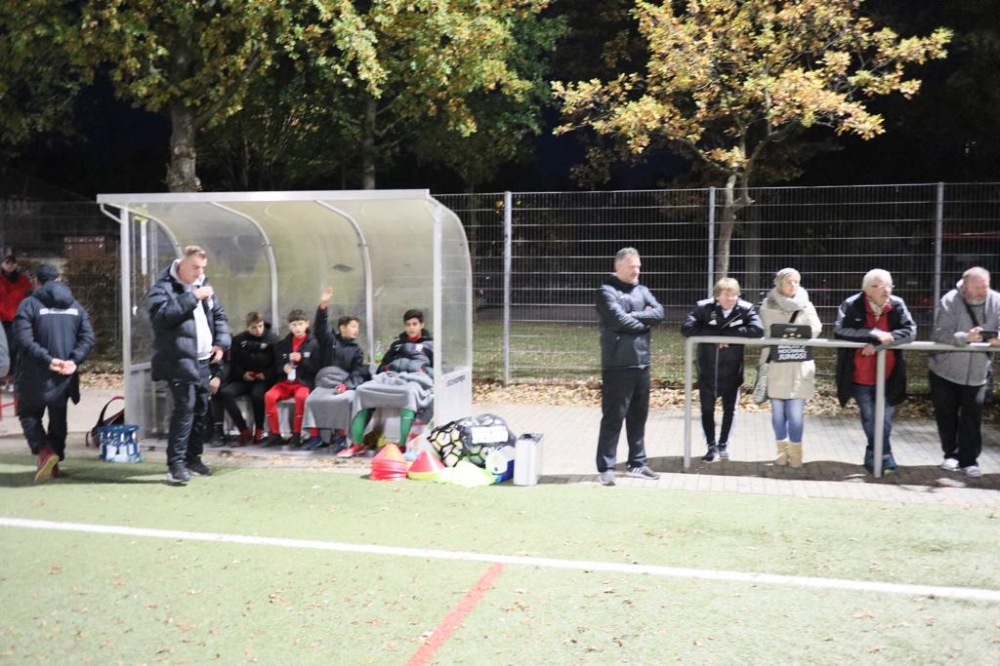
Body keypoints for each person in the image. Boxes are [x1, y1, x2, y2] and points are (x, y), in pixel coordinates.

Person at [148, 245, 231, 484]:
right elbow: (161, 318)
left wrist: (221, 344)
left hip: (204, 360)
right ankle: (176, 464)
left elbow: (219, 317)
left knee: (201, 410)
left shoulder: (203, 284)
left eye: (203, 268)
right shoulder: (163, 287)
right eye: (195, 267)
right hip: (178, 360)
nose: (199, 272)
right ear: (182, 264)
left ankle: (194, 459)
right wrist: (192, 297)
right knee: (185, 409)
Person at [13, 263, 95, 482]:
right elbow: (88, 337)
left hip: (33, 373)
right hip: (65, 375)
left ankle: (45, 451)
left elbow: (23, 339)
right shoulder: (75, 306)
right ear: (59, 279)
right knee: (58, 418)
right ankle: (55, 461)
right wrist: (73, 360)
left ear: (37, 282)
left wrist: (48, 360)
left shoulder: (28, 304)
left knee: (28, 414)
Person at [834, 269, 916, 474]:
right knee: (870, 418)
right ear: (868, 289)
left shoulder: (897, 304)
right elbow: (840, 330)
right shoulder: (851, 304)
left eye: (889, 286)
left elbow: (910, 331)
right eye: (881, 286)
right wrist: (874, 334)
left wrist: (881, 343)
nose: (887, 291)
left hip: (889, 375)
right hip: (860, 375)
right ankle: (884, 456)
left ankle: (875, 454)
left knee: (885, 419)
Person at [595, 247, 663, 486]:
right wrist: (643, 321)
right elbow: (617, 320)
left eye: (638, 266)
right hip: (617, 364)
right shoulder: (606, 291)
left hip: (642, 364)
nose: (637, 270)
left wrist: (634, 316)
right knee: (613, 417)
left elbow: (659, 314)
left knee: (638, 417)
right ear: (618, 267)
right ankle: (606, 467)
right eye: (632, 266)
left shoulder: (642, 290)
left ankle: (637, 463)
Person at [681, 277, 764, 462]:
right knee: (707, 410)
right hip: (707, 370)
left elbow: (758, 330)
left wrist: (729, 336)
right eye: (727, 295)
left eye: (734, 295)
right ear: (717, 296)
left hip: (732, 371)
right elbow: (687, 328)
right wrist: (715, 336)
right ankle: (711, 446)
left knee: (730, 410)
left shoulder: (746, 309)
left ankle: (723, 445)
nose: (731, 299)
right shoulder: (703, 307)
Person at [928, 267, 1000, 478]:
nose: (982, 291)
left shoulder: (996, 301)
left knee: (972, 417)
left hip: (978, 373)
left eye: (985, 286)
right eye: (976, 287)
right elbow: (939, 333)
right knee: (946, 415)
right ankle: (950, 454)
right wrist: (965, 337)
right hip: (945, 370)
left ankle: (969, 460)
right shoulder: (949, 300)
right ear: (965, 286)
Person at [347, 309, 434, 456]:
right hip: (391, 378)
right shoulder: (397, 345)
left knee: (409, 393)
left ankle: (403, 445)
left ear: (422, 325)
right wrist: (385, 369)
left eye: (414, 324)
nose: (411, 328)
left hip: (415, 379)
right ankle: (357, 444)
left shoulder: (430, 345)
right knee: (362, 390)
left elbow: (441, 368)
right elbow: (383, 365)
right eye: (408, 324)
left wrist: (424, 371)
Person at [759, 268, 822, 468]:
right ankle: (781, 451)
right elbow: (768, 329)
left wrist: (792, 333)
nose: (793, 285)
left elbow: (815, 328)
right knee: (778, 413)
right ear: (780, 283)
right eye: (789, 281)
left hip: (799, 364)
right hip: (776, 364)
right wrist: (792, 332)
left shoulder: (806, 304)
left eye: (796, 281)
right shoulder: (768, 304)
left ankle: (796, 453)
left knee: (795, 414)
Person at [301, 287, 369, 451]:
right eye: (353, 326)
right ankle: (315, 437)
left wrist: (345, 386)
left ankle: (341, 436)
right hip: (324, 383)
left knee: (346, 401)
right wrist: (323, 305)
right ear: (342, 328)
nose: (356, 330)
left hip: (343, 384)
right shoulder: (330, 340)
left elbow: (357, 372)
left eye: (357, 327)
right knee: (311, 400)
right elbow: (320, 328)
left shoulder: (357, 350)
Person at [262, 309, 321, 448]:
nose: (297, 328)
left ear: (307, 324)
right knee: (269, 396)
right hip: (285, 382)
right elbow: (276, 365)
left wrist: (302, 360)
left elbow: (316, 368)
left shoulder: (314, 344)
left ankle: (296, 434)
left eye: (300, 324)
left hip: (303, 383)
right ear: (289, 326)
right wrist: (284, 368)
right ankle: (275, 434)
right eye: (294, 325)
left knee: (301, 397)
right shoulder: (283, 344)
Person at [217, 312, 277, 445]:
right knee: (225, 393)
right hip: (244, 379)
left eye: (260, 326)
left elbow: (277, 363)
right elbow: (233, 363)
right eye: (254, 327)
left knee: (257, 395)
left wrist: (266, 374)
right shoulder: (238, 340)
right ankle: (243, 430)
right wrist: (242, 374)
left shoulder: (272, 340)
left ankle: (259, 429)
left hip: (263, 379)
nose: (258, 330)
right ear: (248, 327)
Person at [0, 254, 33, 385]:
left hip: (18, 317)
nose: (10, 265)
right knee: (6, 347)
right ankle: (6, 374)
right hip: (3, 318)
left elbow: (28, 295)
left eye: (13, 263)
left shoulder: (23, 279)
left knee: (16, 346)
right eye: (7, 262)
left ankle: (13, 374)